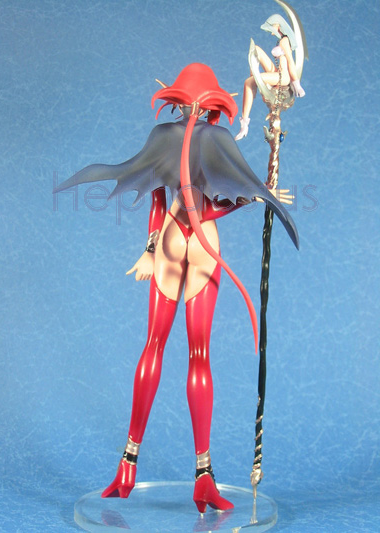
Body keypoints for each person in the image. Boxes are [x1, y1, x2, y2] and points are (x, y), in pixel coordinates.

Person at [54, 63, 298, 512]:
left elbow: (162, 194)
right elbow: (203, 202)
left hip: (175, 237)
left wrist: (153, 247)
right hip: (196, 241)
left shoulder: (180, 137)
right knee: (187, 350)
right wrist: (259, 195)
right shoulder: (202, 138)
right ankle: (191, 473)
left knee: (162, 345)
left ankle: (140, 464)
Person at [235, 14, 305, 141]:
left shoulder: (285, 41)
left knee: (248, 82)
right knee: (255, 50)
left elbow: (290, 62)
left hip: (284, 77)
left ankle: (245, 122)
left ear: (278, 25)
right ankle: (254, 86)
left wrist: (296, 83)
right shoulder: (281, 40)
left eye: (272, 28)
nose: (272, 33)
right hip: (278, 73)